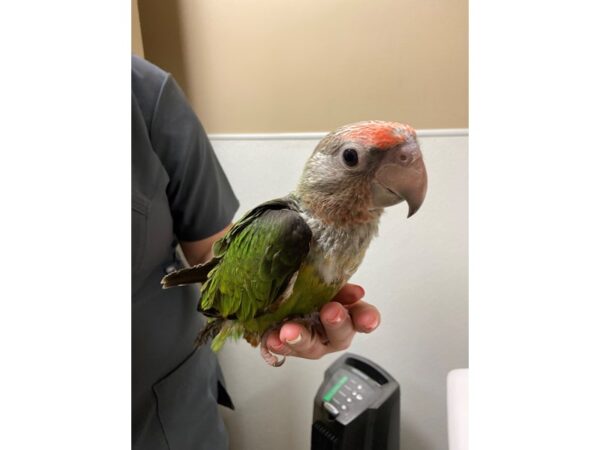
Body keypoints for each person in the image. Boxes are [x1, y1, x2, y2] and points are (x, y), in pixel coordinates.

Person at [131, 55, 381, 450]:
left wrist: (300, 319)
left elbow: (210, 247)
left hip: (175, 414)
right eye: (352, 158)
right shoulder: (288, 231)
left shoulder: (145, 93)